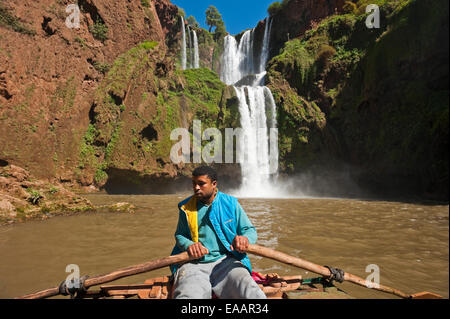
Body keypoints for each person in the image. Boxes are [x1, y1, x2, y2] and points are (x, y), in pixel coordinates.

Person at [170, 166, 266, 299]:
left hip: (226, 260)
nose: (196, 188)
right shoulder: (186, 207)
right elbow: (180, 235)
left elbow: (249, 230)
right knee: (188, 294)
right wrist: (189, 245)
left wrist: (245, 239)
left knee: (250, 290)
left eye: (201, 184)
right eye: (194, 184)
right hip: (194, 263)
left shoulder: (231, 204)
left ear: (214, 184)